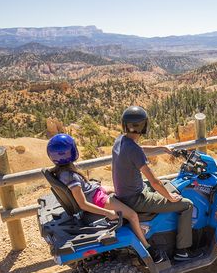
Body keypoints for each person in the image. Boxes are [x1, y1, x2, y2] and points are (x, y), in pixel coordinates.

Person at [46, 134, 160, 259]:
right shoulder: (71, 177)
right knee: (132, 215)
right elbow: (82, 204)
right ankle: (147, 247)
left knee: (118, 190)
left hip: (93, 192)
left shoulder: (59, 172)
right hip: (96, 199)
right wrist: (107, 213)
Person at [112, 106, 202, 262]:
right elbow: (154, 181)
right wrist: (170, 197)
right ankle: (182, 251)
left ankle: (171, 223)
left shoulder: (120, 140)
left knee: (168, 183)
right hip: (136, 199)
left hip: (125, 194)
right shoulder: (134, 150)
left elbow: (139, 149)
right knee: (186, 204)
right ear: (144, 126)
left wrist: (161, 148)